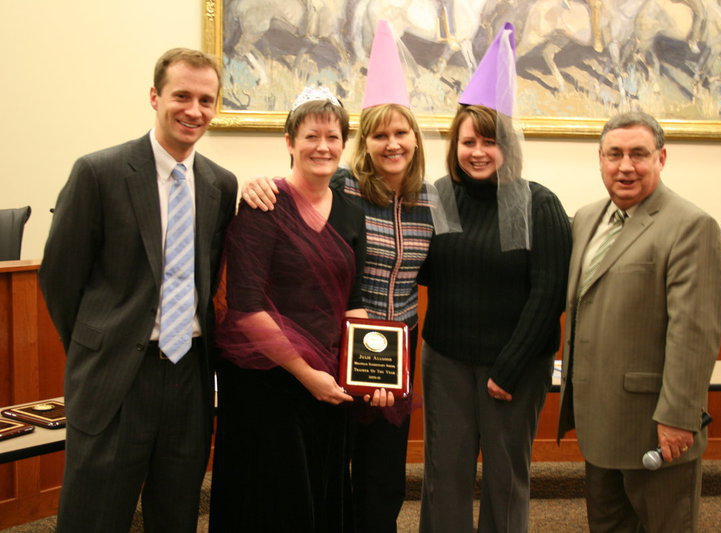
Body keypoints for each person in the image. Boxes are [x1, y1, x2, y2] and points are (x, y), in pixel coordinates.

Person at [242, 21, 434, 533]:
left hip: (396, 352)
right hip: (336, 347)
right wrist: (257, 181)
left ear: (415, 137)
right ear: (364, 143)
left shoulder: (435, 202)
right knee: (323, 474)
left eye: (401, 132)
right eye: (380, 134)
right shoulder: (345, 189)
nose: (392, 143)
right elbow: (300, 180)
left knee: (382, 478)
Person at [38, 48, 238, 533]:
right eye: (182, 96)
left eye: (206, 100)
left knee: (177, 512)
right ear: (155, 96)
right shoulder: (99, 173)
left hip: (189, 376)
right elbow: (59, 278)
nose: (194, 110)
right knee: (94, 515)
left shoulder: (220, 184)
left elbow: (207, 278)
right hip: (116, 378)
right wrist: (100, 344)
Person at [210, 86, 389, 533]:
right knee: (273, 505)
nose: (322, 146)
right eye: (311, 136)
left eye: (333, 136)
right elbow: (247, 308)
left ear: (344, 144)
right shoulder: (262, 205)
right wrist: (308, 376)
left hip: (327, 385)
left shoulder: (351, 212)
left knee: (320, 497)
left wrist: (370, 375)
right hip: (268, 386)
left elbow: (354, 306)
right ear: (289, 142)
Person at [418, 24, 571, 533]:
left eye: (490, 140)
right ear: (454, 146)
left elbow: (549, 292)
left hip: (515, 370)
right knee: (445, 476)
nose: (478, 151)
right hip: (446, 364)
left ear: (509, 144)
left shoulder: (539, 203)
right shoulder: (435, 197)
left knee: (506, 481)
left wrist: (507, 369)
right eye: (468, 141)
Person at [557, 111, 721, 533]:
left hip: (656, 424)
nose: (625, 166)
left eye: (638, 154)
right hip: (600, 422)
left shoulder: (691, 226)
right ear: (600, 159)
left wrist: (680, 415)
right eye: (614, 154)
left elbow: (695, 332)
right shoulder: (585, 219)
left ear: (661, 158)